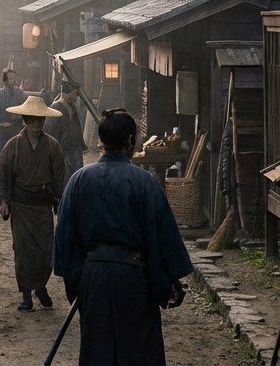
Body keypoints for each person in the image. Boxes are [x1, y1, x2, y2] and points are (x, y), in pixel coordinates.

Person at [53, 110, 192, 365]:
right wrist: (169, 280)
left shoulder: (79, 179)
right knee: (138, 349)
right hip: (134, 280)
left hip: (93, 277)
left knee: (98, 347)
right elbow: (164, 237)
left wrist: (78, 282)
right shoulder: (144, 182)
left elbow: (64, 239)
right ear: (129, 141)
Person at [0, 96, 67, 312]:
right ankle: (26, 293)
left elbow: (61, 175)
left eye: (40, 119)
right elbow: (3, 173)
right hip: (21, 206)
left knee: (44, 250)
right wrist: (4, 201)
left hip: (42, 206)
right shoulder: (13, 146)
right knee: (23, 250)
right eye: (32, 119)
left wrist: (61, 202)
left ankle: (40, 286)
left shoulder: (52, 146)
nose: (36, 124)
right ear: (24, 120)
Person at [46, 80, 88, 175]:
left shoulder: (71, 106)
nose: (76, 96)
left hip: (73, 148)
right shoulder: (55, 107)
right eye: (74, 93)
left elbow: (76, 126)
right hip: (63, 149)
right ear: (66, 94)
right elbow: (50, 131)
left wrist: (80, 142)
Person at [0, 69, 27, 157]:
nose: (12, 79)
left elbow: (25, 109)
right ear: (5, 79)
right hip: (4, 127)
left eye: (13, 77)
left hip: (17, 126)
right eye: (9, 77)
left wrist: (24, 121)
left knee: (17, 153)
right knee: (2, 153)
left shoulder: (20, 94)